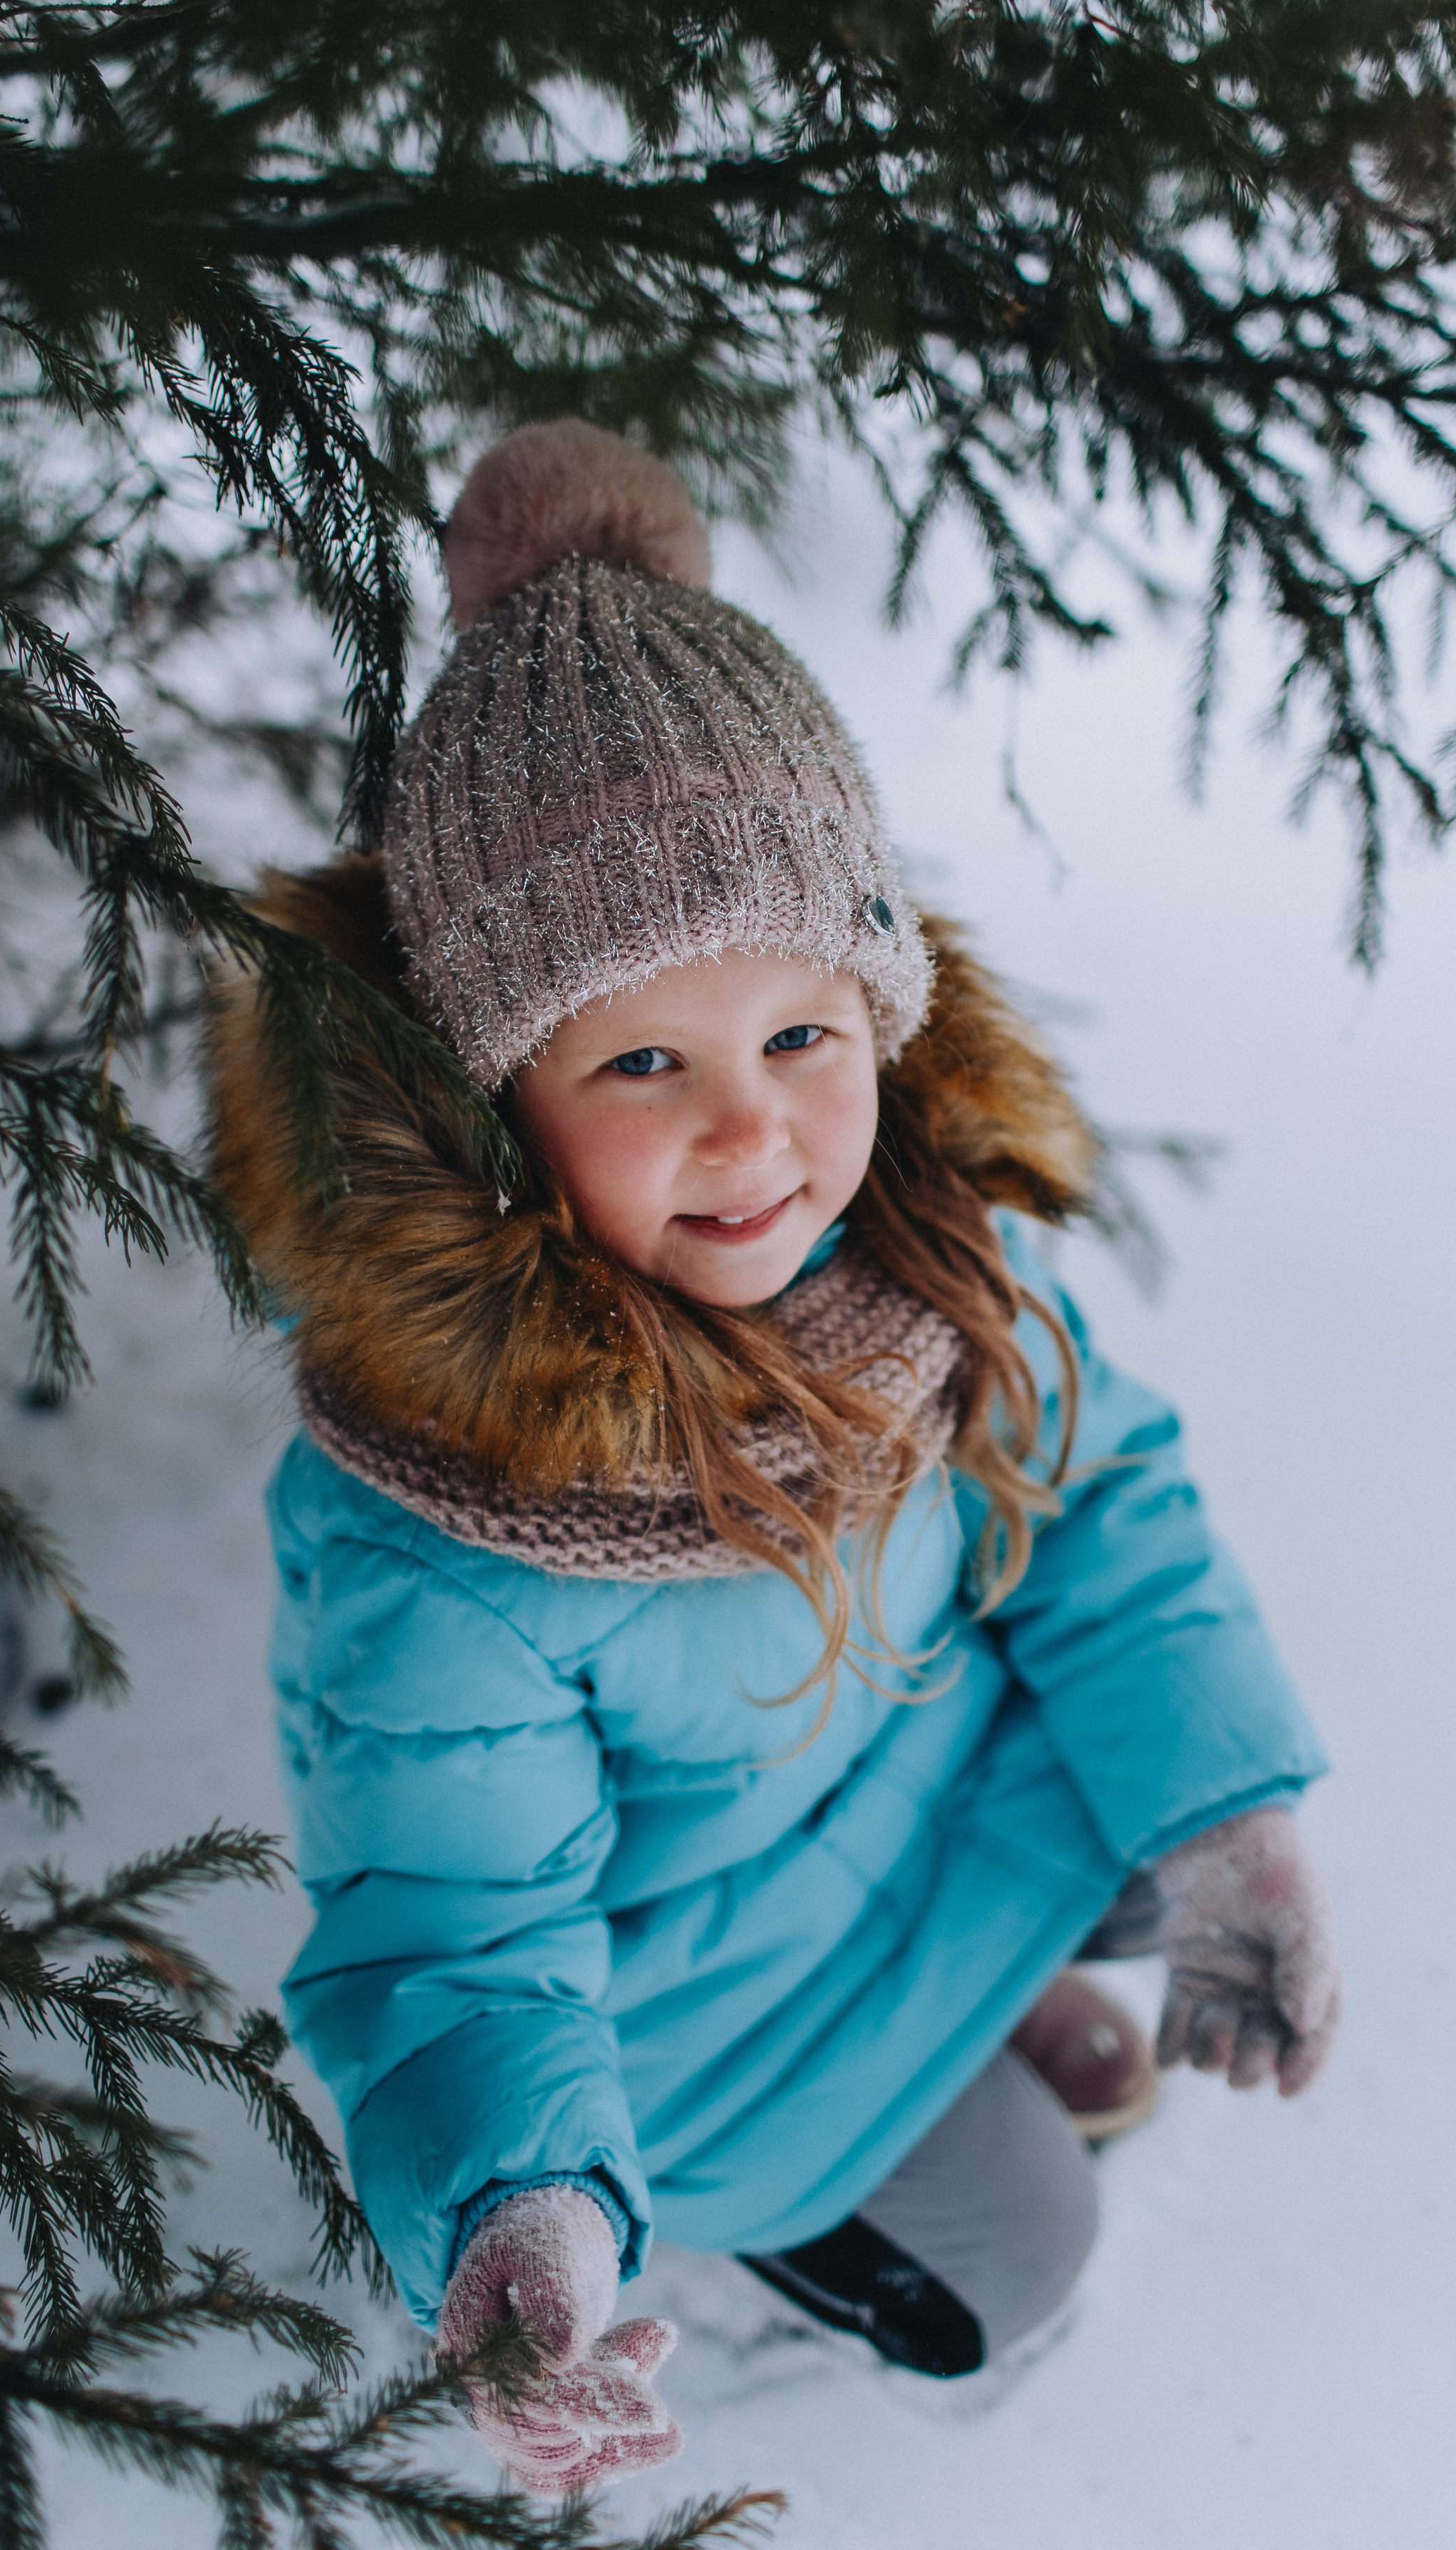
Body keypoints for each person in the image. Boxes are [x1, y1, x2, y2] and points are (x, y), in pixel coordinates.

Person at [207, 420, 1342, 2498]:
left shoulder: (912, 1247)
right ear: (495, 1103)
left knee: (1144, 1805)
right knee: (1031, 2252)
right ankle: (810, 2211)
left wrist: (1230, 1827)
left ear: (878, 1011)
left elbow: (1103, 1506)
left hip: (928, 1787)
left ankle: (984, 2004)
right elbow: (456, 1929)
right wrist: (526, 2212)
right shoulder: (448, 1526)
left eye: (800, 1037)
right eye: (644, 1060)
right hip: (712, 2014)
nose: (752, 1132)